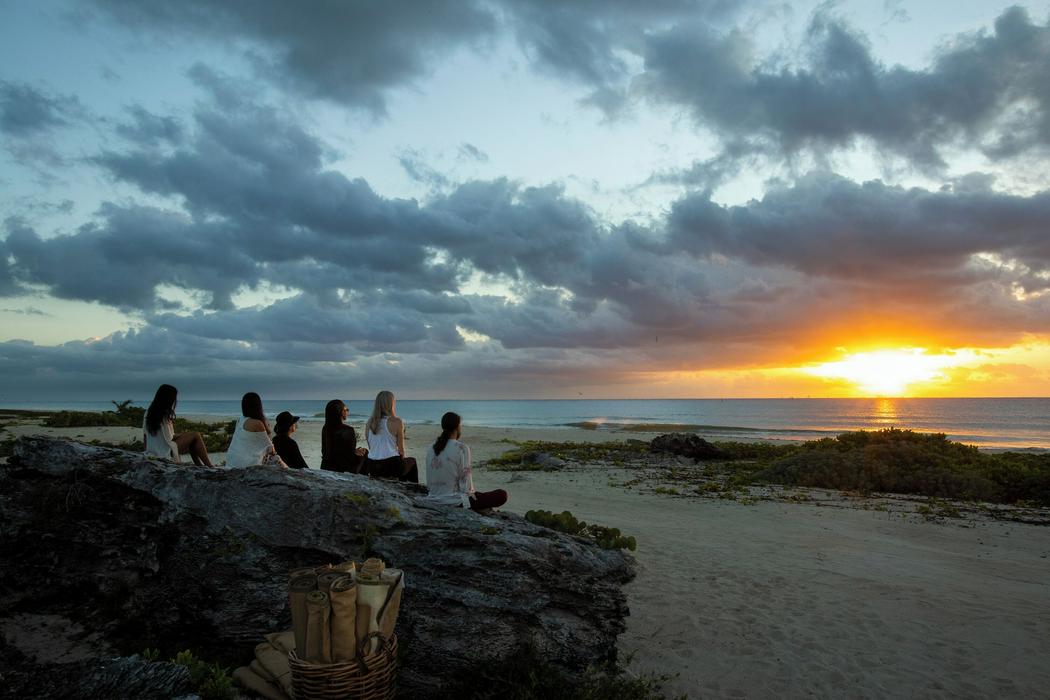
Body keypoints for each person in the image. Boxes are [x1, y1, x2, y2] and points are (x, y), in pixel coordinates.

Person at [425, 412, 507, 512]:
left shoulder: (431, 447)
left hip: (433, 498)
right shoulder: (461, 448)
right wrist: (471, 499)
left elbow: (429, 483)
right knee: (502, 494)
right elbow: (466, 485)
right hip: (454, 501)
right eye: (460, 425)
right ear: (457, 427)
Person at [142, 384, 214, 466]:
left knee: (191, 439)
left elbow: (145, 436)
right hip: (166, 451)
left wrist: (147, 452)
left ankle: (200, 465)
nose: (175, 400)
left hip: (153, 452)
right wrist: (181, 435)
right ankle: (209, 466)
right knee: (196, 435)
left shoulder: (149, 412)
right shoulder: (163, 414)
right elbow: (170, 438)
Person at [364, 391, 418, 482]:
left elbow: (371, 447)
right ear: (391, 404)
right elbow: (401, 450)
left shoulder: (369, 422)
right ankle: (412, 489)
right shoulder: (396, 421)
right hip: (390, 465)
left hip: (372, 466)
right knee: (412, 461)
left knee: (401, 465)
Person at [225, 392, 279, 468]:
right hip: (245, 465)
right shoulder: (257, 423)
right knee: (276, 459)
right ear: (258, 406)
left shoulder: (240, 419)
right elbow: (270, 449)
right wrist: (268, 429)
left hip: (231, 461)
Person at [320, 399, 367, 473]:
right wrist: (356, 452)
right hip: (342, 469)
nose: (348, 412)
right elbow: (350, 457)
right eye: (346, 410)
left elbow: (327, 451)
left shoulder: (325, 428)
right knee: (365, 452)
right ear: (341, 412)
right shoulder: (348, 430)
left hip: (326, 466)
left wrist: (354, 451)